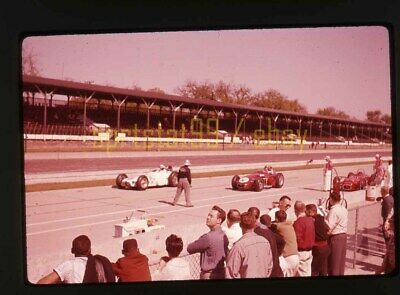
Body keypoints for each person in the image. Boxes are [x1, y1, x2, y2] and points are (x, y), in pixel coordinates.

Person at [37, 235, 115, 284]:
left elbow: (42, 283)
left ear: (72, 250)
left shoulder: (69, 265)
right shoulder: (101, 262)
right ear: (90, 250)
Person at [226, 212, 273, 279]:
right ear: (255, 224)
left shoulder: (238, 246)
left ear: (240, 225)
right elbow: (269, 267)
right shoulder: (265, 242)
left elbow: (230, 273)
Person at [187, 205, 229, 279]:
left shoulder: (207, 237)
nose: (208, 218)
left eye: (211, 216)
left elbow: (190, 248)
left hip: (209, 275)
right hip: (221, 272)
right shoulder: (223, 235)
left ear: (219, 220)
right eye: (208, 215)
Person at [254, 213, 285, 278]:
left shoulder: (259, 232)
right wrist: (277, 253)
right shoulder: (271, 231)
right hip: (276, 267)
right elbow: (282, 241)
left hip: (268, 268)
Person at [326, 191, 348, 276]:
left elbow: (329, 226)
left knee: (334, 262)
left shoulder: (333, 210)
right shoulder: (344, 209)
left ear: (331, 199)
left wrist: (324, 217)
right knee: (340, 262)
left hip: (336, 237)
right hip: (343, 236)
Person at [272, 210, 299, 277]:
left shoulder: (278, 226)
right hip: (296, 256)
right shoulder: (290, 225)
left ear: (276, 218)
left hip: (287, 257)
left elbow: (271, 226)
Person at [306, 204, 330, 276]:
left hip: (318, 248)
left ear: (310, 212)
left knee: (314, 270)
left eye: (306, 211)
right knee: (323, 269)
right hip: (326, 247)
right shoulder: (321, 218)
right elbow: (328, 229)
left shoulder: (312, 220)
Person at [293, 201, 315, 277]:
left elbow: (297, 238)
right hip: (310, 250)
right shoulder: (310, 220)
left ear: (295, 211)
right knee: (307, 272)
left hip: (301, 252)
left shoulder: (298, 222)